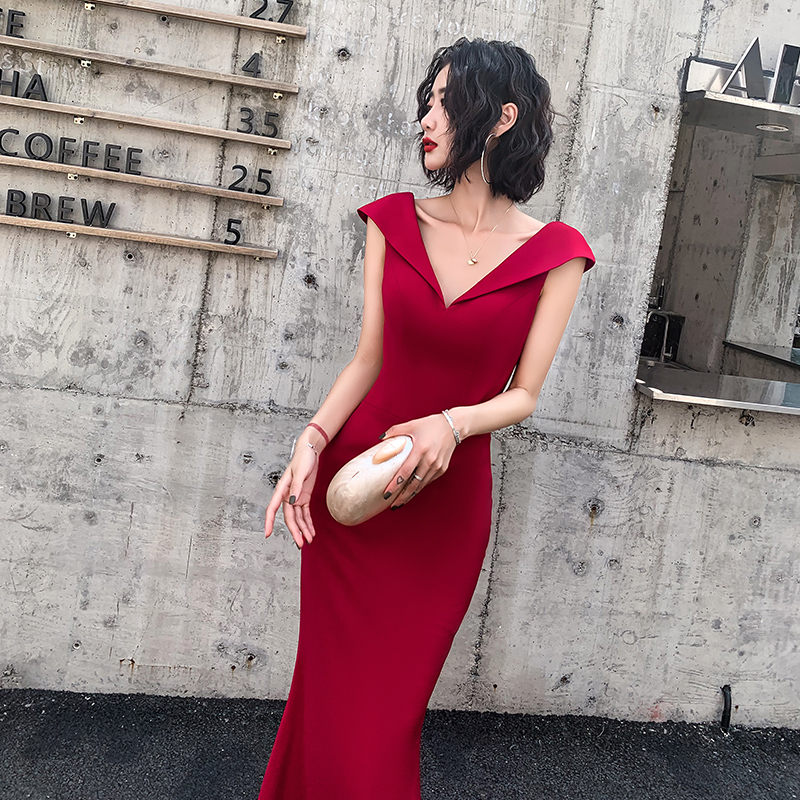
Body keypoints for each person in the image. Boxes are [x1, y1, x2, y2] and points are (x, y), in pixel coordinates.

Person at [258, 36, 596, 800]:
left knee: (385, 723)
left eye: (447, 102)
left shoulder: (558, 254)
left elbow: (525, 394)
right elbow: (367, 359)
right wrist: (310, 441)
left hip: (443, 511)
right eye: (428, 100)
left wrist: (453, 422)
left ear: (503, 117)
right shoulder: (392, 221)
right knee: (330, 703)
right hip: (357, 494)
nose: (427, 117)